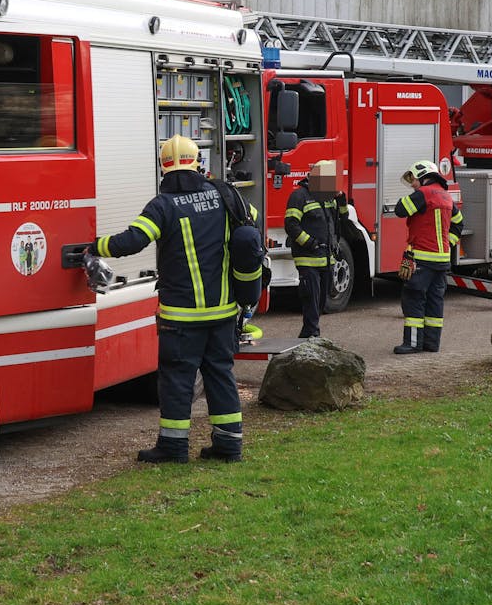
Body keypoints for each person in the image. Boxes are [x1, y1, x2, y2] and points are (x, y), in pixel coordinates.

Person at [88, 135, 245, 463]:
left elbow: (131, 241)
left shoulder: (162, 205)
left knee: (177, 379)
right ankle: (229, 445)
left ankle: (173, 447)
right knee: (220, 375)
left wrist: (94, 246)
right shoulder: (222, 196)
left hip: (182, 318)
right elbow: (249, 227)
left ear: (164, 167)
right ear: (197, 162)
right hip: (223, 313)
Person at [392, 159, 465, 354]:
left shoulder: (423, 194)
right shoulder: (446, 196)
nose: (413, 184)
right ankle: (432, 344)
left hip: (422, 259)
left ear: (423, 176)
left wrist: (412, 196)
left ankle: (413, 343)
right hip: (442, 261)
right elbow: (459, 223)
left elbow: (400, 210)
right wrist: (448, 243)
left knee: (413, 298)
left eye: (414, 179)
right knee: (435, 301)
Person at [284, 160, 348, 338]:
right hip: (307, 258)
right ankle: (312, 334)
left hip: (326, 258)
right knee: (311, 298)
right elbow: (291, 225)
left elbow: (343, 218)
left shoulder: (329, 197)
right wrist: (309, 243)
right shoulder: (299, 196)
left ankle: (308, 333)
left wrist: (341, 199)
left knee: (321, 301)